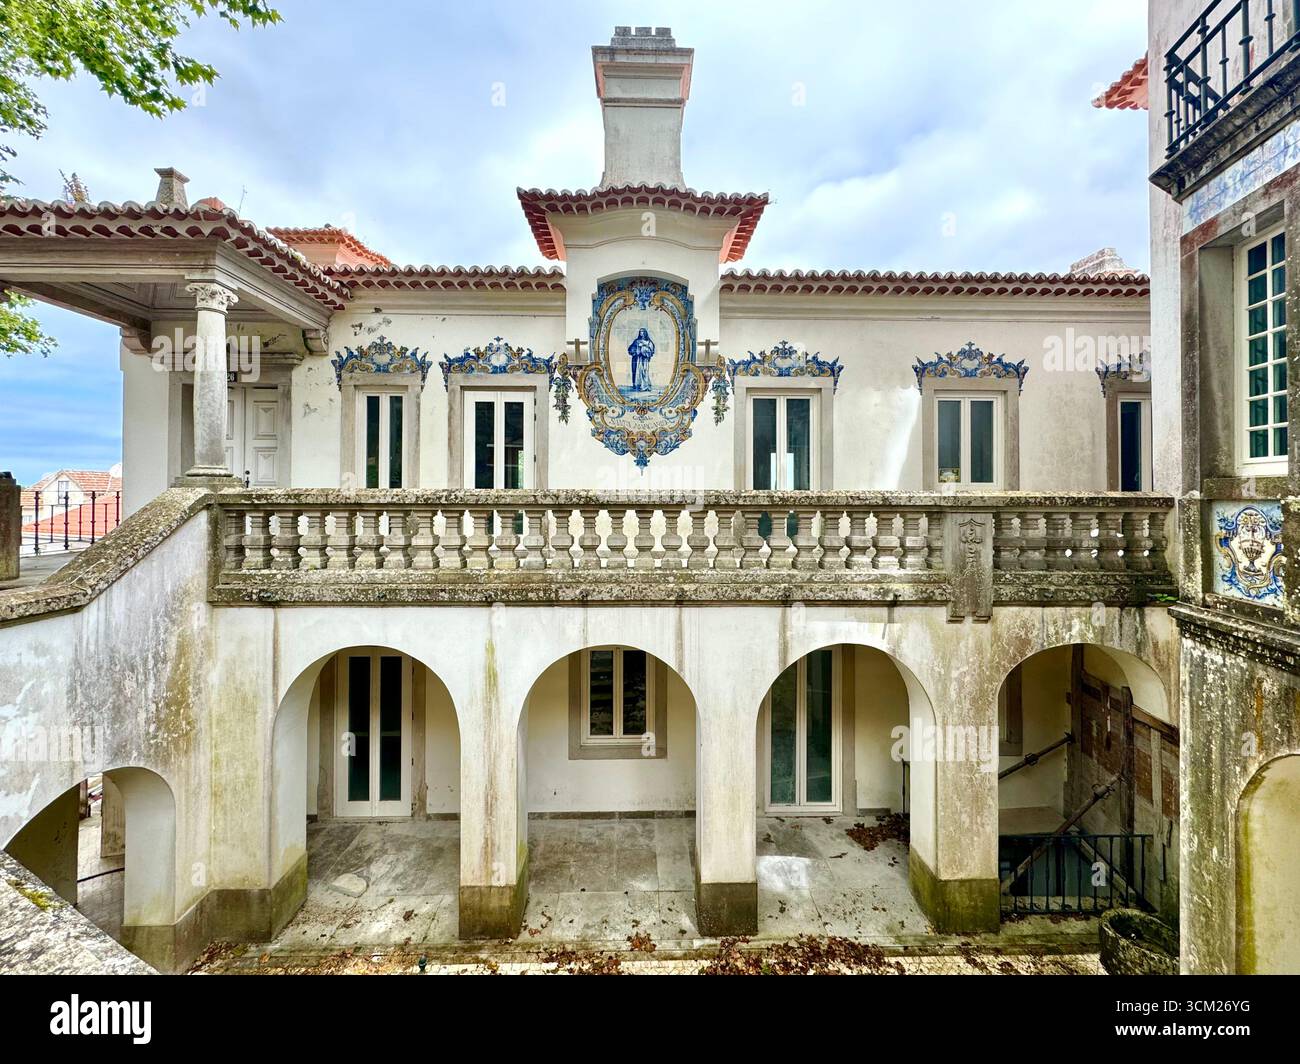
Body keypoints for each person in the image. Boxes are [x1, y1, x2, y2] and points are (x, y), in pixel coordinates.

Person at [628, 327, 655, 392]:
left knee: (645, 371)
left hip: (645, 359)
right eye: (640, 332)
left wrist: (644, 347)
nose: (641, 333)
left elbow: (651, 350)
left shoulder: (649, 342)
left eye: (643, 332)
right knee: (638, 372)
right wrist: (635, 351)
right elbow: (630, 349)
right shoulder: (636, 341)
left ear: (645, 333)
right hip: (637, 359)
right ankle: (638, 385)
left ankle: (645, 386)